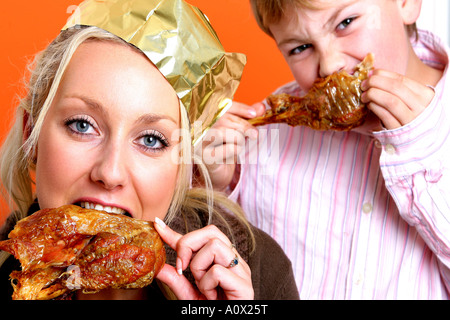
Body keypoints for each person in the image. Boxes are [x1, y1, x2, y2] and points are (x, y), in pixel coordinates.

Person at [0, 0, 299, 300]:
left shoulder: (260, 274)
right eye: (82, 125)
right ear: (31, 135)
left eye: (151, 140)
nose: (110, 172)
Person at [202, 0, 450, 299]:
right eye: (300, 48)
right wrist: (212, 186)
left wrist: (423, 155)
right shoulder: (266, 137)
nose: (330, 65)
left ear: (406, 3)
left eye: (346, 23)